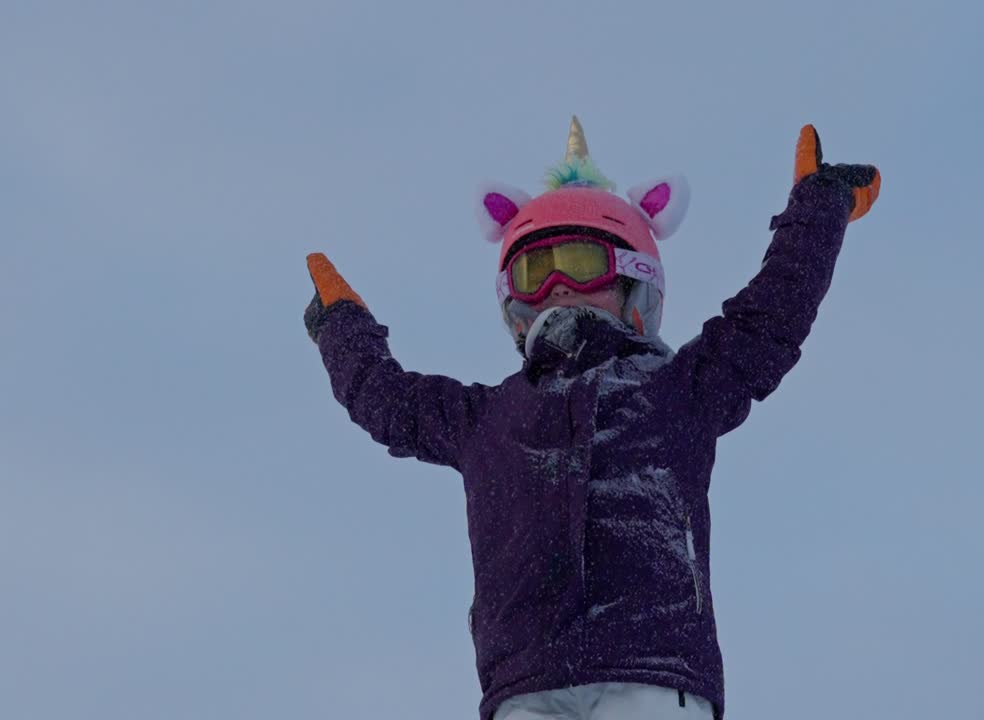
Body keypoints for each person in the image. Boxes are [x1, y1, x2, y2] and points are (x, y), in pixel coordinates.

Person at [304, 117, 880, 720]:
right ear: (514, 304)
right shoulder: (486, 418)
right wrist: (343, 328)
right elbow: (387, 401)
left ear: (634, 286)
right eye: (536, 271)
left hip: (651, 672)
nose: (556, 287)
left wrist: (818, 208)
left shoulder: (680, 389)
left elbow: (770, 318)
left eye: (581, 263)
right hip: (528, 683)